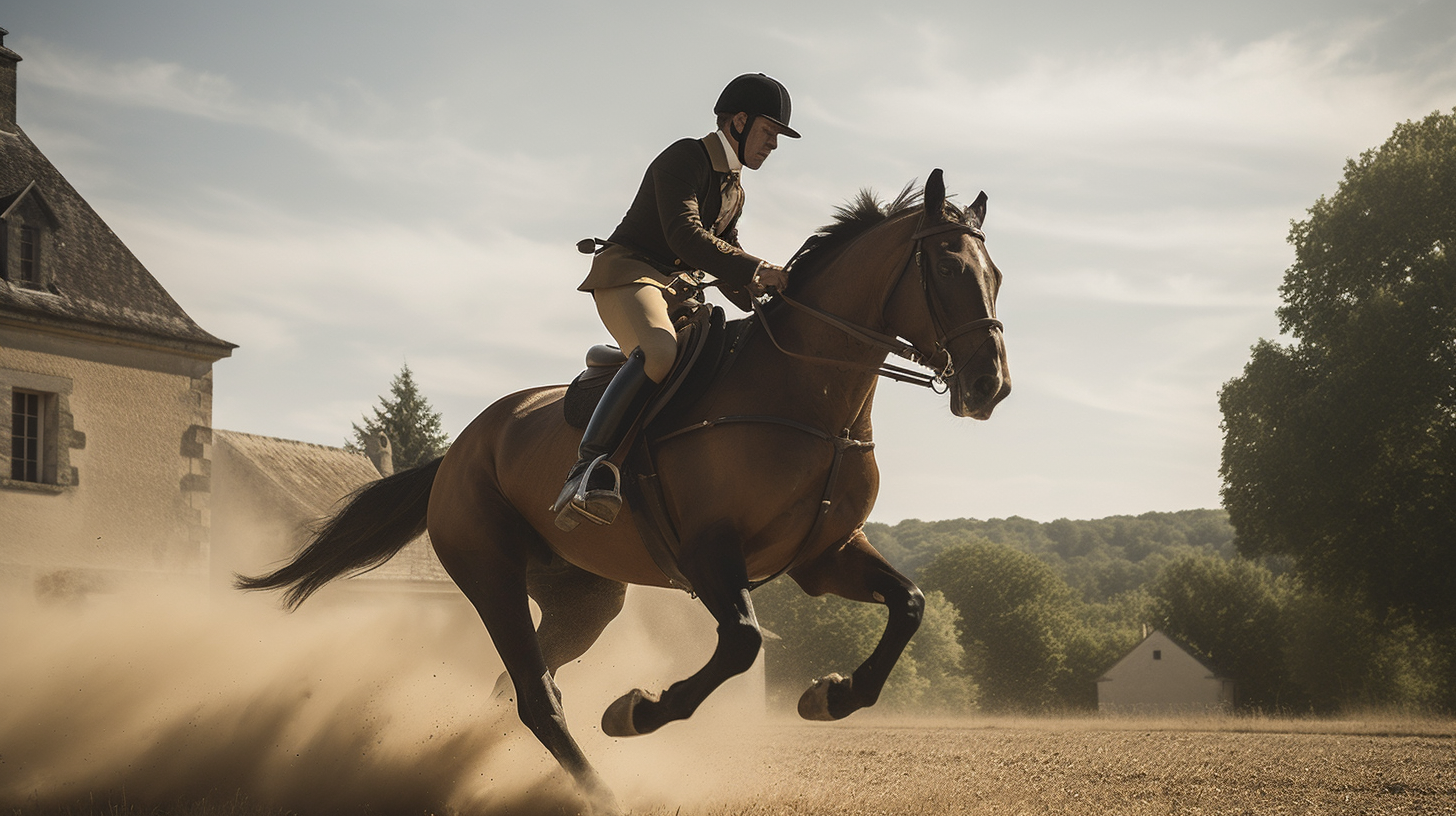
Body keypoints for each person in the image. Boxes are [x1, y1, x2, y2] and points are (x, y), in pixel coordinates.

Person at [552, 72, 800, 531]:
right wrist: (755, 269)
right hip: (628, 274)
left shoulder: (734, 188)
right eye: (769, 132)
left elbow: (725, 254)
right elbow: (685, 235)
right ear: (739, 122)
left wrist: (774, 297)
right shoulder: (685, 156)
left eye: (777, 136)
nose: (774, 145)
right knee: (661, 351)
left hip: (674, 288)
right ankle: (584, 470)